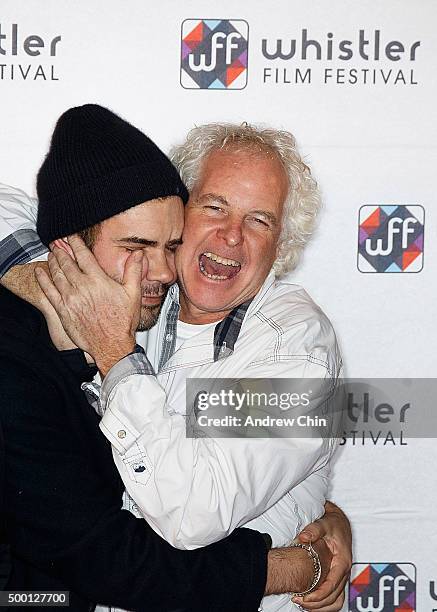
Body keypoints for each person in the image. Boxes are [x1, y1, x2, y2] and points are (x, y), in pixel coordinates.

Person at [0, 106, 351, 611]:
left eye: (260, 220)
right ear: (180, 212)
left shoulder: (293, 347)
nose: (232, 235)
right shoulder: (141, 301)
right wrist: (42, 276)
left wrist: (114, 353)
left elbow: (190, 514)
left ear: (282, 244)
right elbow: (98, 552)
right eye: (214, 207)